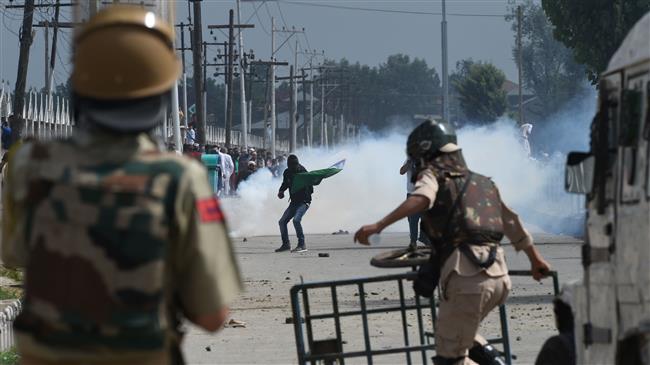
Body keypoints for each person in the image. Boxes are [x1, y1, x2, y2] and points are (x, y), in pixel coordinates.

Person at [1, 6, 242, 364]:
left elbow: (13, 255)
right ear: (159, 99)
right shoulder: (180, 179)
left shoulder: (28, 166)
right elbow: (212, 314)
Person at [354, 120, 551, 365]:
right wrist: (535, 260)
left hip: (467, 278)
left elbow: (422, 198)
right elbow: (511, 222)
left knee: (450, 358)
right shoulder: (482, 182)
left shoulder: (433, 174)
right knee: (459, 334)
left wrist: (378, 225)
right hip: (498, 276)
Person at [276, 154, 312, 253]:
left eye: (295, 165)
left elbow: (311, 188)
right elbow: (285, 183)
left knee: (296, 220)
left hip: (304, 202)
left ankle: (302, 244)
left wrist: (303, 192)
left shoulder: (303, 171)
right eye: (291, 165)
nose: (293, 167)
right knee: (282, 222)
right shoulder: (287, 172)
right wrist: (281, 191)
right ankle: (286, 244)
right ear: (288, 165)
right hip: (294, 202)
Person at [400, 158, 427, 249]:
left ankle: (423, 237)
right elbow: (402, 171)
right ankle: (413, 240)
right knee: (413, 220)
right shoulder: (409, 160)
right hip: (412, 194)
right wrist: (409, 163)